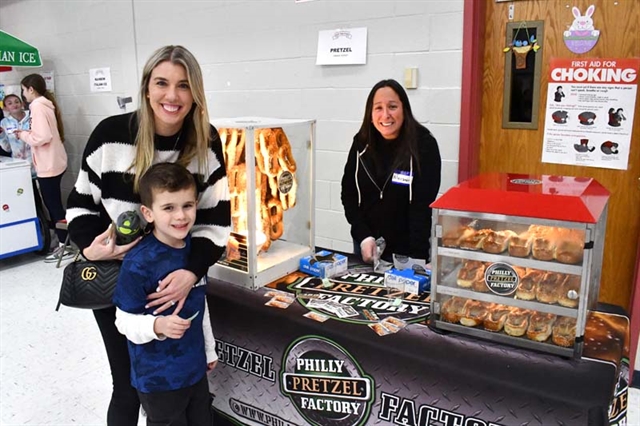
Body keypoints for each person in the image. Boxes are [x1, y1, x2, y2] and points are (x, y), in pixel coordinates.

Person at [66, 45, 231, 425]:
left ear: (196, 94)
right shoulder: (110, 135)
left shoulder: (205, 141)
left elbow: (216, 222)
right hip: (117, 284)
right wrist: (91, 248)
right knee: (126, 386)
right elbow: (79, 205)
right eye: (162, 83)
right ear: (146, 88)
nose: (172, 96)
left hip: (180, 285)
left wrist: (190, 272)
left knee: (188, 387)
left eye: (183, 86)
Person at [114, 162, 218, 425]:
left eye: (187, 205)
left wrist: (209, 349)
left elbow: (199, 302)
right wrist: (157, 325)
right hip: (158, 379)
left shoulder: (195, 253)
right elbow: (123, 321)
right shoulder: (138, 263)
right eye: (168, 208)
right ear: (148, 213)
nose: (181, 216)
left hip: (194, 369)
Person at [341, 79, 441, 263]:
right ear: (370, 114)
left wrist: (416, 260)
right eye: (378, 108)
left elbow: (423, 207)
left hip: (407, 251)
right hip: (367, 246)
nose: (385, 115)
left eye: (392, 106)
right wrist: (363, 236)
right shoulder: (361, 143)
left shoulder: (424, 145)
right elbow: (349, 195)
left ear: (404, 109)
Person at [15, 74, 71, 261]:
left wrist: (23, 135)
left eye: (23, 90)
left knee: (54, 206)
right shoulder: (45, 104)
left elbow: (42, 137)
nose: (23, 94)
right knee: (54, 205)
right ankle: (64, 242)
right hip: (54, 161)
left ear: (31, 89)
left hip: (49, 164)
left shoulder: (37, 106)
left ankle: (65, 245)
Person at [0, 94, 35, 176]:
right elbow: (7, 148)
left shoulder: (32, 117)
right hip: (19, 165)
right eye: (10, 103)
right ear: (5, 108)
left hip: (37, 162)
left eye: (17, 102)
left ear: (22, 104)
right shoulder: (4, 123)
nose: (14, 105)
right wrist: (1, 136)